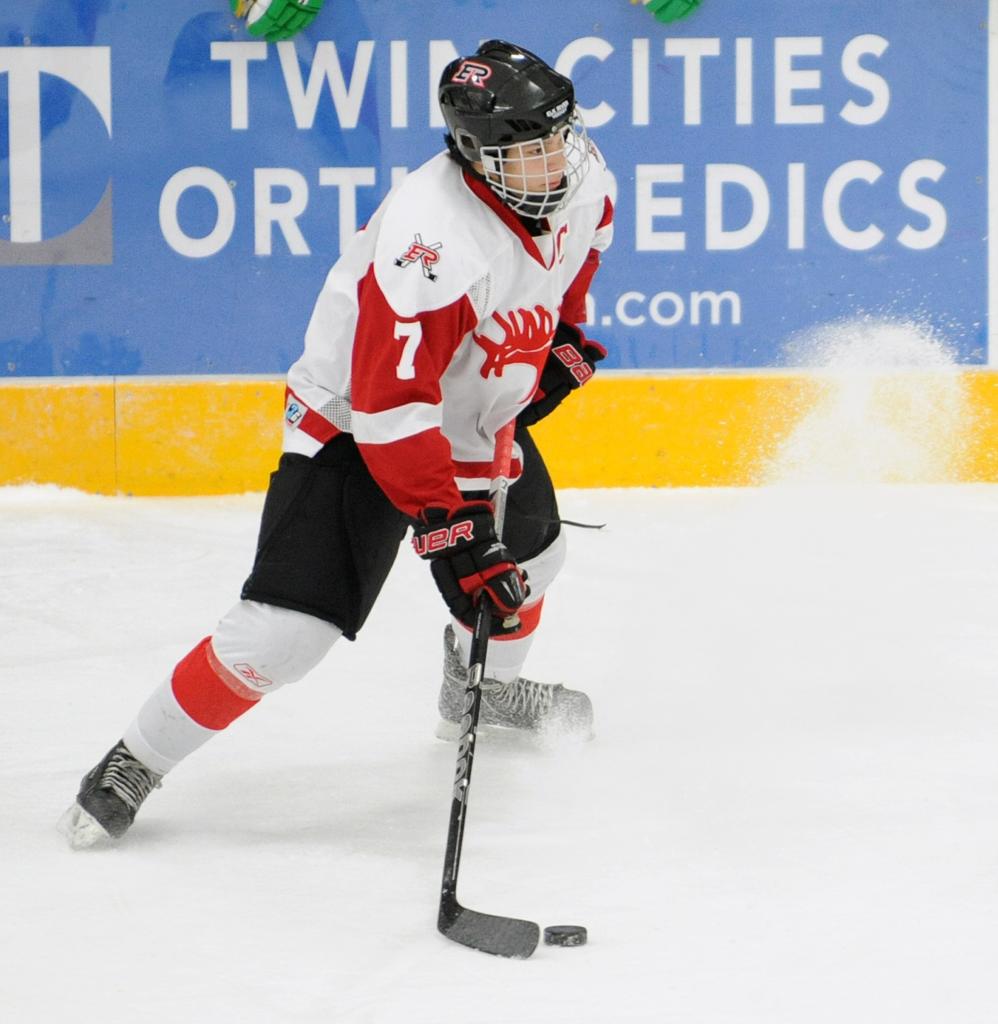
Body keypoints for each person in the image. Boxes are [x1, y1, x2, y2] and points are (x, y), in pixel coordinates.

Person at [60, 39, 615, 849]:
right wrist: (453, 537)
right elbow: (392, 409)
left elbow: (575, 266)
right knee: (284, 636)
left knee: (535, 560)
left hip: (465, 408)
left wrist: (562, 337)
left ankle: (480, 693)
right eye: (527, 152)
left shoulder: (584, 175)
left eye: (557, 138)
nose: (554, 162)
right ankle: (135, 758)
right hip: (361, 423)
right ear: (475, 155)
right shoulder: (429, 245)